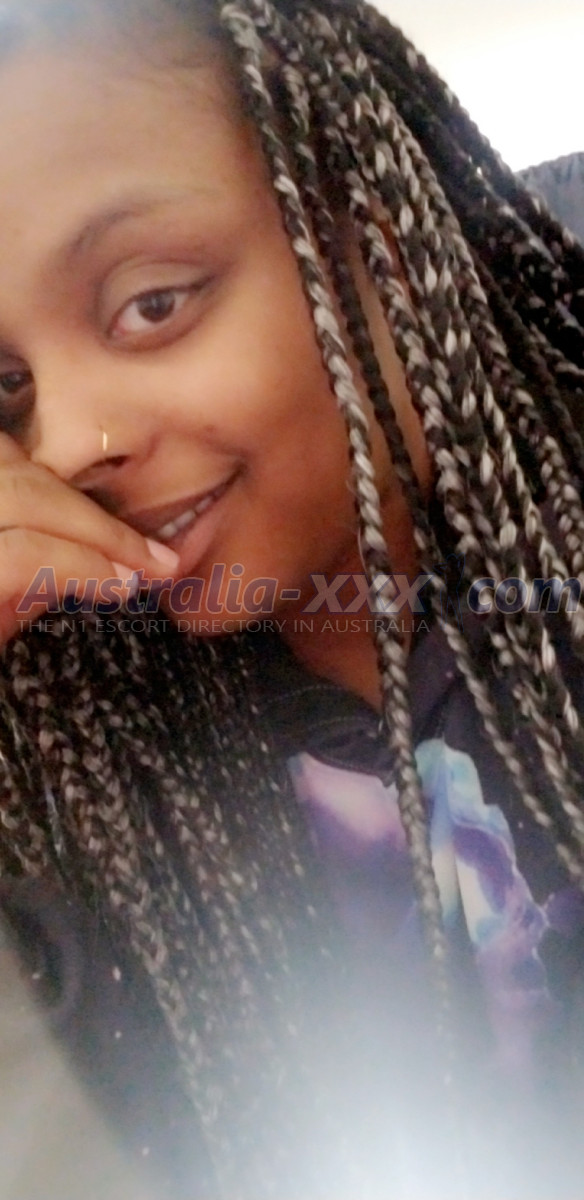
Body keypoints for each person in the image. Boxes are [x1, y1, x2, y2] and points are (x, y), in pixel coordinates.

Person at [0, 0, 583, 1196]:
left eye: (151, 302)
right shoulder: (86, 779)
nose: (62, 444)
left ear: (379, 240)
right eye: (7, 385)